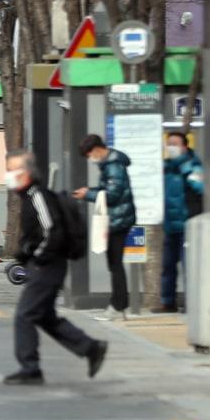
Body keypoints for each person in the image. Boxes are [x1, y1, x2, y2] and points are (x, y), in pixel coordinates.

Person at [5, 149, 108, 385]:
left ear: (26, 173)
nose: (9, 175)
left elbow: (52, 230)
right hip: (47, 265)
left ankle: (30, 368)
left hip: (47, 266)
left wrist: (38, 257)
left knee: (25, 316)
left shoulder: (38, 196)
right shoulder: (30, 196)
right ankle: (90, 348)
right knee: (44, 316)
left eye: (12, 170)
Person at [72, 133, 135, 319]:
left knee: (115, 264)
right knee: (114, 264)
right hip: (117, 218)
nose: (90, 159)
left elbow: (112, 195)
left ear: (97, 149)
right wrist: (90, 192)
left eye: (89, 154)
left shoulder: (114, 165)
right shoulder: (109, 164)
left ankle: (118, 306)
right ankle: (118, 306)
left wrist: (88, 194)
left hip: (119, 219)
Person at [158, 132, 204, 314]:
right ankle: (167, 302)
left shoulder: (193, 165)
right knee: (167, 266)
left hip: (187, 224)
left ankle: (191, 303)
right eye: (168, 144)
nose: (170, 147)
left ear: (185, 146)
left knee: (188, 266)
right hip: (170, 225)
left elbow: (201, 187)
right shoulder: (166, 167)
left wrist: (187, 171)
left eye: (174, 144)